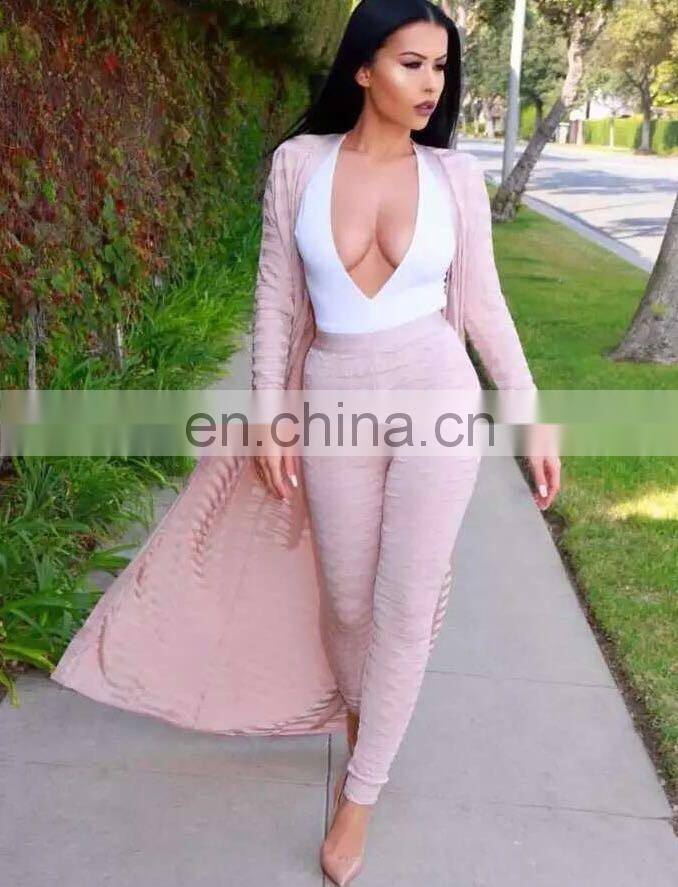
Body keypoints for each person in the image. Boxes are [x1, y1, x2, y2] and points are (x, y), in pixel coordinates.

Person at [251, 1, 560, 884]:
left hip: (436, 388)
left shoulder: (455, 175)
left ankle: (362, 790)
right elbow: (275, 297)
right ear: (363, 68)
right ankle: (369, 717)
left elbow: (485, 303)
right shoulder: (299, 164)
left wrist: (530, 410)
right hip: (335, 393)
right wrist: (270, 409)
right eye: (411, 63)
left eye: (440, 67)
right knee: (347, 601)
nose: (431, 84)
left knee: (405, 600)